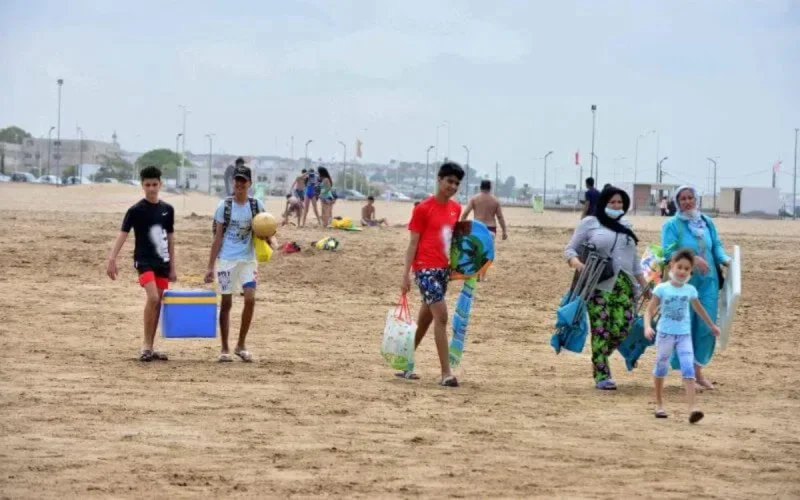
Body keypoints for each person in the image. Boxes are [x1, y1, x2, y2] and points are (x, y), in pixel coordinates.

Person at [564, 186, 651, 389]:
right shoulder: (589, 223)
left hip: (625, 286)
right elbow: (569, 249)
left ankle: (600, 355)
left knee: (622, 327)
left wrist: (644, 286)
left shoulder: (627, 226)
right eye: (612, 202)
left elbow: (634, 259)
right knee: (601, 329)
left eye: (620, 203)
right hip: (598, 284)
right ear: (603, 203)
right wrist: (578, 265)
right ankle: (602, 375)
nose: (616, 206)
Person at [399, 162, 465, 387]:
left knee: (425, 321)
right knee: (442, 317)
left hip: (443, 270)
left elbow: (455, 242)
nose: (453, 186)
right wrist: (405, 275)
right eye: (449, 181)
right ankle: (446, 373)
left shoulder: (456, 208)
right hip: (424, 270)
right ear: (439, 180)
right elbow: (412, 244)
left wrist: (461, 268)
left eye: (457, 183)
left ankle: (405, 363)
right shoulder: (423, 209)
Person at [661, 185, 730, 390]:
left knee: (707, 326)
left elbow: (715, 245)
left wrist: (726, 259)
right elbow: (668, 252)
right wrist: (693, 258)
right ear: (677, 202)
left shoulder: (707, 222)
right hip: (683, 283)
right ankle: (688, 375)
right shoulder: (672, 225)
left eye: (690, 197)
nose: (687, 201)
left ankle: (698, 371)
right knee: (685, 327)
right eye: (683, 199)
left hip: (708, 282)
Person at [106, 166, 176, 362]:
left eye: (155, 184)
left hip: (162, 262)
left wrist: (173, 267)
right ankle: (145, 345)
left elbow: (170, 239)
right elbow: (123, 235)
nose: (152, 188)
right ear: (142, 185)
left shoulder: (168, 210)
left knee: (158, 303)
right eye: (148, 185)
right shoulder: (135, 210)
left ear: (160, 184)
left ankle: (150, 348)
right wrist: (112, 259)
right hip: (143, 261)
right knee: (152, 298)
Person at [645, 248, 721, 423]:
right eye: (679, 267)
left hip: (684, 335)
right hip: (665, 334)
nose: (682, 272)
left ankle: (693, 408)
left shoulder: (690, 290)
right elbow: (649, 310)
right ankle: (659, 404)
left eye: (687, 269)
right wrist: (647, 327)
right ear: (672, 266)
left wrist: (711, 325)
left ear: (690, 271)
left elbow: (699, 308)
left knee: (688, 367)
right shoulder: (662, 289)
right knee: (661, 366)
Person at [204, 164, 269, 363]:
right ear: (233, 182)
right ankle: (224, 348)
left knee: (250, 299)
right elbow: (218, 238)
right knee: (226, 302)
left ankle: (241, 345)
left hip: (248, 260)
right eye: (237, 180)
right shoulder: (224, 206)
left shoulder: (257, 206)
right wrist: (210, 267)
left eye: (244, 181)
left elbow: (264, 230)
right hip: (227, 260)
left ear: (250, 183)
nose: (240, 184)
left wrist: (271, 239)